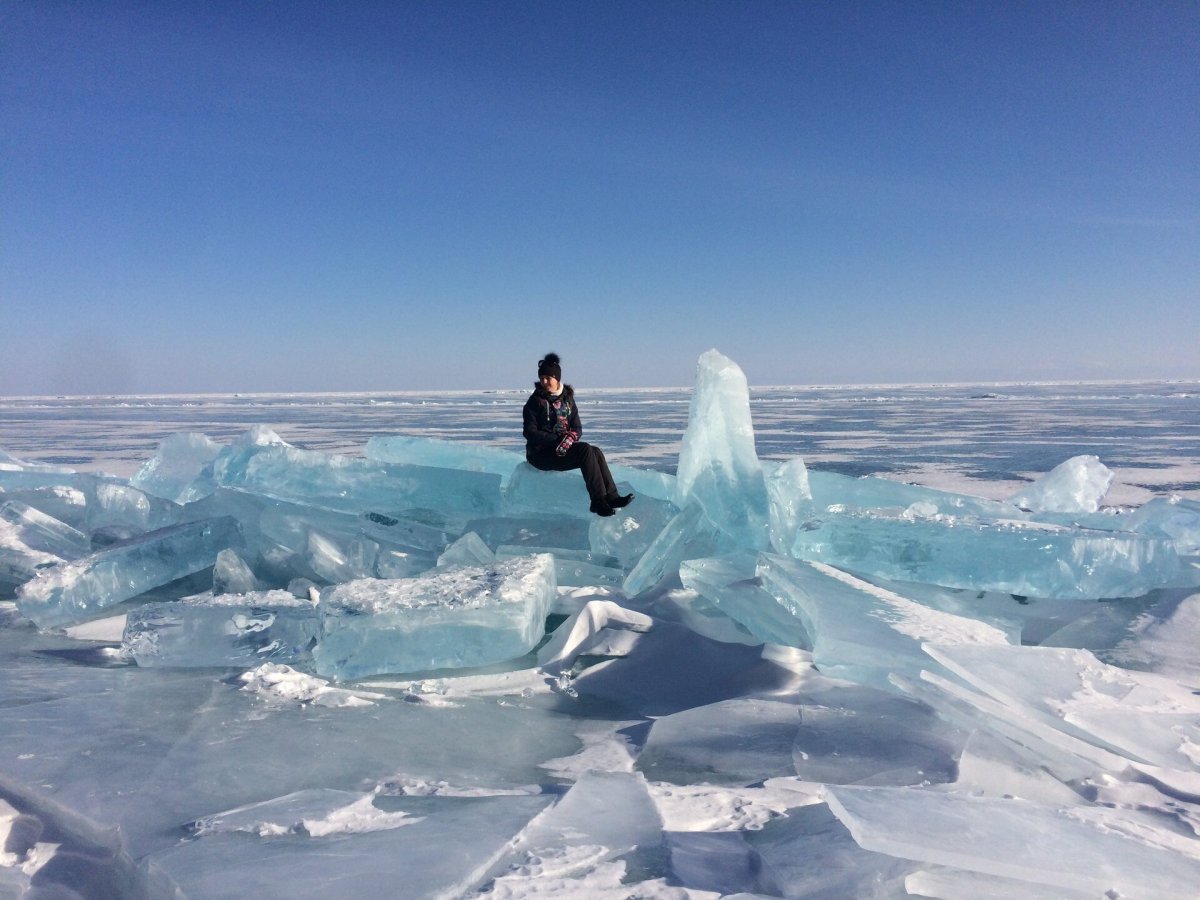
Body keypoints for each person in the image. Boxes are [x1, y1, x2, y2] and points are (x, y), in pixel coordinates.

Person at [523, 352, 634, 517]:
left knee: (595, 451)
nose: (544, 381)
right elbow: (530, 433)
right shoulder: (535, 402)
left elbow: (577, 427)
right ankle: (598, 501)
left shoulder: (568, 400)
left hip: (562, 448)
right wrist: (559, 439)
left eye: (548, 378)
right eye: (542, 378)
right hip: (540, 454)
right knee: (584, 451)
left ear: (557, 378)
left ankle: (612, 496)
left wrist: (570, 438)